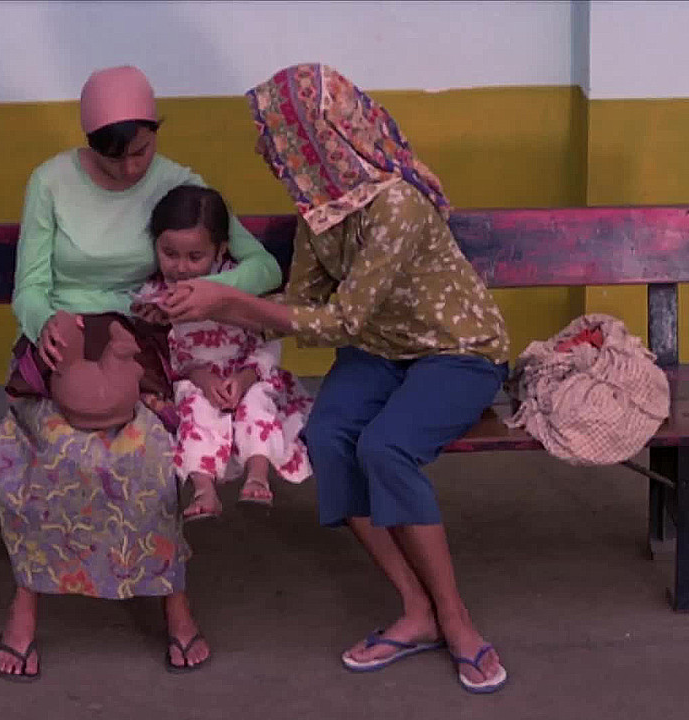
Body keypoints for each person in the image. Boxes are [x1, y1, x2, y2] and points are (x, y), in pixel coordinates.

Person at [159, 64, 512, 694]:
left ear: (319, 139)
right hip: (378, 353)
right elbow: (302, 309)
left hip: (457, 353)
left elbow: (337, 318)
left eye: (278, 139)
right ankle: (416, 610)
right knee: (327, 440)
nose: (269, 152)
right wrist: (232, 332)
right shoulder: (320, 213)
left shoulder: (396, 206)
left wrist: (224, 302)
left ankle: (456, 620)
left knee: (386, 448)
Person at [0, 65, 283, 680]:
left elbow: (262, 270)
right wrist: (45, 323)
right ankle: (26, 602)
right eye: (113, 156)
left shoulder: (181, 185)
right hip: (64, 339)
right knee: (43, 448)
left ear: (156, 132)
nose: (130, 169)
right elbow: (30, 285)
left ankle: (175, 604)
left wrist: (203, 290)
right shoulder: (50, 181)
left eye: (141, 151)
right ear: (89, 142)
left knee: (149, 451)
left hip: (149, 344)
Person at [133, 185, 312, 522]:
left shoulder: (240, 285)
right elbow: (159, 352)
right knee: (195, 410)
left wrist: (246, 376)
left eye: (195, 257)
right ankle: (204, 489)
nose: (181, 268)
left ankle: (258, 476)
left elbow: (268, 337)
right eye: (170, 254)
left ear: (220, 249)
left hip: (248, 373)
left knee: (258, 403)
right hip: (194, 377)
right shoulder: (154, 295)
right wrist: (198, 376)